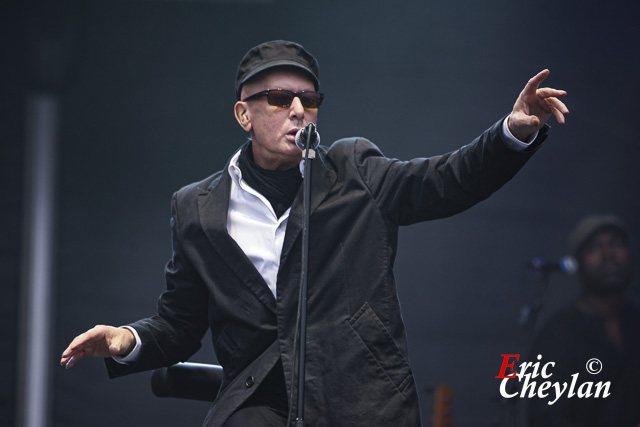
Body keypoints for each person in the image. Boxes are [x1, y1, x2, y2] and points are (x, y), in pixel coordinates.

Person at [61, 40, 569, 426]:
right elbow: (179, 324)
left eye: (309, 99)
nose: (299, 111)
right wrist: (125, 338)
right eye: (279, 99)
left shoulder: (355, 170)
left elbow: (444, 181)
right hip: (259, 409)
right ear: (244, 114)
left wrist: (512, 131)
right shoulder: (197, 208)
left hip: (363, 402)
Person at [528, 215, 640, 427]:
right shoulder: (557, 336)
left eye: (615, 244)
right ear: (576, 266)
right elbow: (546, 419)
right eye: (594, 248)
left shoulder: (635, 322)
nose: (608, 255)